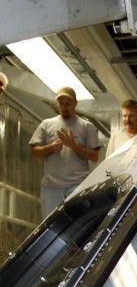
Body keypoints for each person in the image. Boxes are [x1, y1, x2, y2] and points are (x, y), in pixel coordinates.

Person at [29, 87, 100, 218]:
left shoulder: (86, 126)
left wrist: (73, 145)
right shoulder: (46, 124)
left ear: (75, 103)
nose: (65, 107)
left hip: (78, 184)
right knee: (50, 224)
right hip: (51, 186)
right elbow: (34, 152)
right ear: (57, 104)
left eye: (68, 103)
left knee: (78, 223)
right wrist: (50, 147)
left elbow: (94, 156)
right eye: (62, 103)